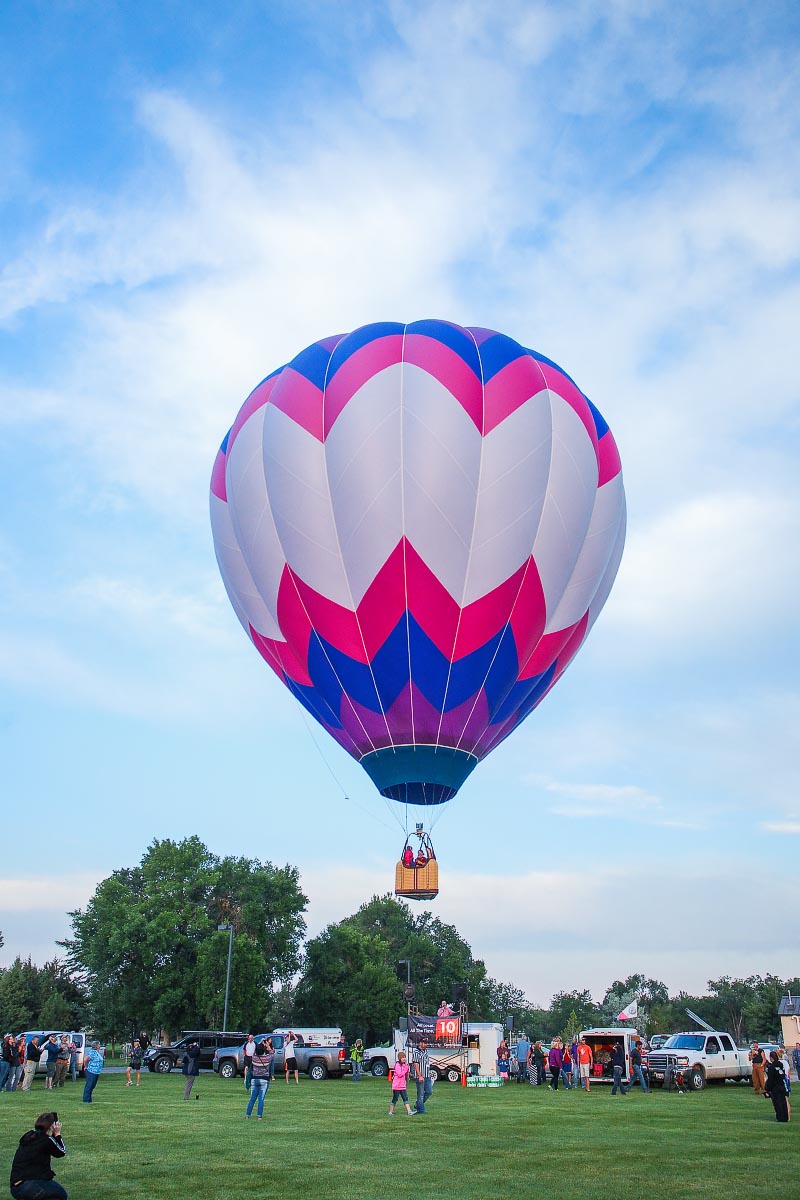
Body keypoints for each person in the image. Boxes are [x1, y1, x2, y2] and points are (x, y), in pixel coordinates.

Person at [9, 1111, 67, 1200]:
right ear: (51, 1126)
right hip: (31, 1186)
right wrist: (57, 1134)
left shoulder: (28, 1136)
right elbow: (61, 1152)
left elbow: (53, 1148)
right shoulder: (46, 1140)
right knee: (61, 1195)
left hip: (15, 1187)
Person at [246, 1040, 274, 1120]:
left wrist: (260, 1042)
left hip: (254, 1079)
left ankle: (247, 1115)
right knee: (261, 1099)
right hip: (264, 1080)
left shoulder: (254, 1058)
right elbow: (272, 1053)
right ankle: (259, 1116)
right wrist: (268, 1045)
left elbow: (255, 1050)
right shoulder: (267, 1058)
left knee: (252, 1099)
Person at [764, 1050, 790, 1123]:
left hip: (775, 1087)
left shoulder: (772, 1067)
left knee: (777, 1103)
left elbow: (771, 1079)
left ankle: (780, 1117)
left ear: (772, 1058)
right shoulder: (780, 1065)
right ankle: (785, 1117)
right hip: (782, 1085)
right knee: (783, 1102)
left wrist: (767, 1088)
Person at [411, 1037, 433, 1114]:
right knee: (420, 1094)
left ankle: (418, 1104)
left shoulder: (426, 1051)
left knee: (429, 1091)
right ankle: (420, 1110)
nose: (425, 1044)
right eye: (424, 1043)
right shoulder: (416, 1052)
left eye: (426, 1043)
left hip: (427, 1075)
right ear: (420, 1043)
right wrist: (419, 1075)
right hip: (420, 1076)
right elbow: (416, 1064)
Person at [389, 1050, 413, 1116]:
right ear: (400, 1058)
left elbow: (405, 1075)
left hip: (402, 1085)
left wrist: (407, 1069)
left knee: (405, 1098)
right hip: (396, 1085)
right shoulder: (397, 1065)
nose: (404, 1059)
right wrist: (405, 1069)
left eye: (405, 1057)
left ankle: (409, 1111)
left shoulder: (405, 1065)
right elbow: (400, 1074)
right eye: (403, 1057)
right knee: (395, 1098)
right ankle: (391, 1111)